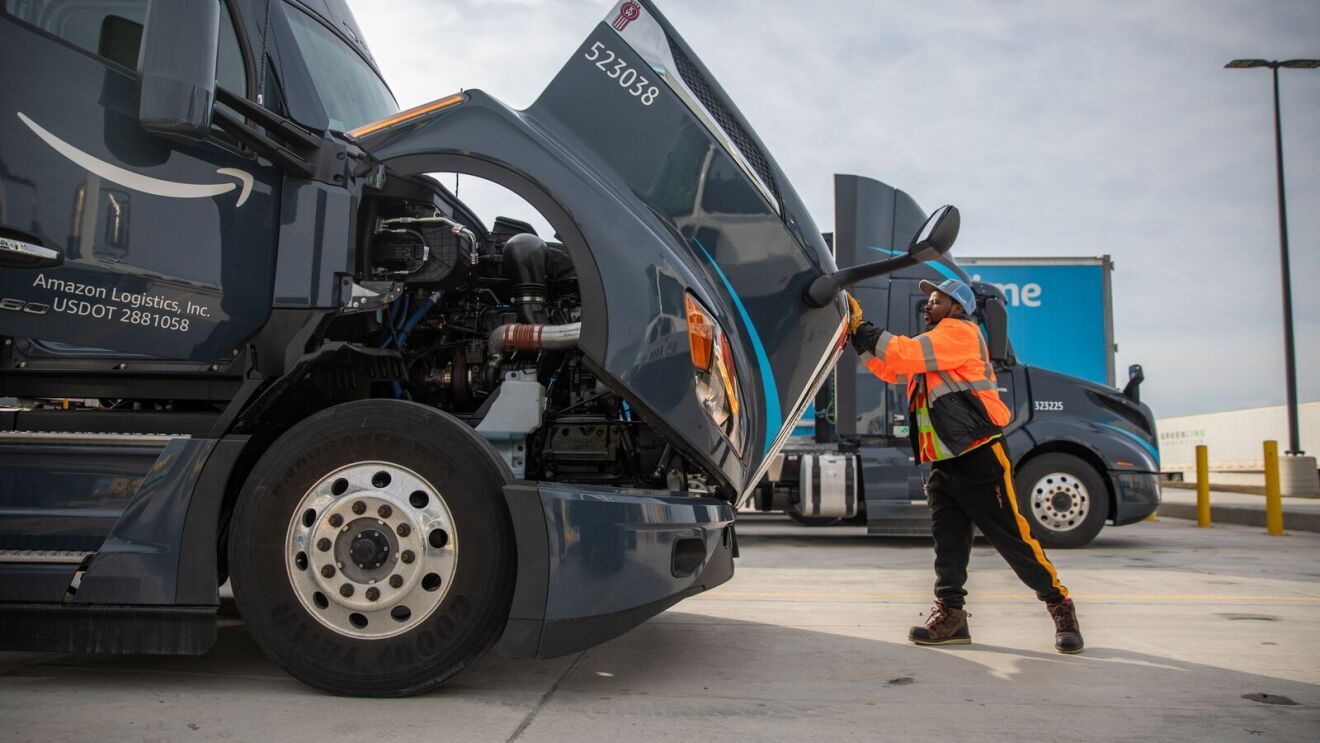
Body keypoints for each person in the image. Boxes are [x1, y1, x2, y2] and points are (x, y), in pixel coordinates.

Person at [848, 278, 1083, 654]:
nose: (928, 305)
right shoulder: (934, 348)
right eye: (928, 300)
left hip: (979, 456)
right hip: (944, 463)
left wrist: (859, 325)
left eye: (937, 300)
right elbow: (889, 369)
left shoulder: (958, 332)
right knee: (949, 548)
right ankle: (952, 617)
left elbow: (899, 354)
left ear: (957, 308)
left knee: (1015, 541)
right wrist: (853, 336)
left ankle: (1061, 608)